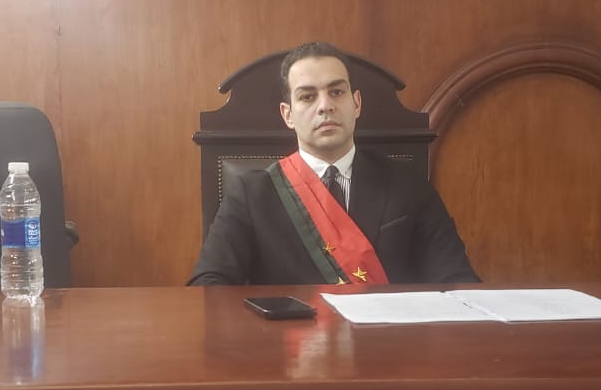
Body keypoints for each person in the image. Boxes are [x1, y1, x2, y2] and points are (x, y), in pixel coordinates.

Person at [188, 42, 479, 287]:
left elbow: (457, 280)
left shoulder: (407, 184)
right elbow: (208, 286)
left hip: (385, 338)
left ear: (356, 104)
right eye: (307, 96)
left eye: (336, 92)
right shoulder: (250, 194)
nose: (325, 106)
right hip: (289, 339)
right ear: (288, 115)